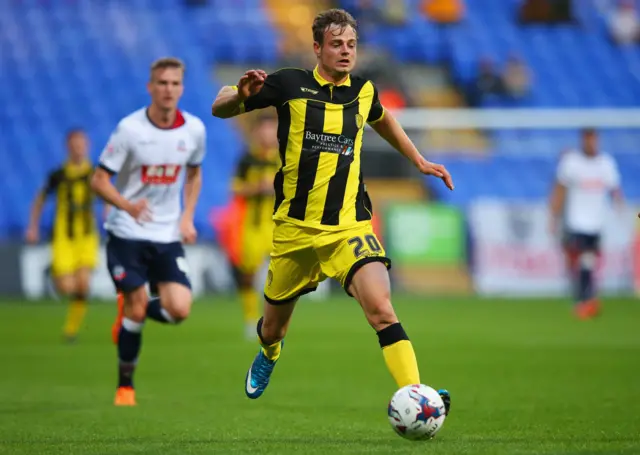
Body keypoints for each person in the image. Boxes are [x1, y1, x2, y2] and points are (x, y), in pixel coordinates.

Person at [211, 8, 453, 414]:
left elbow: (385, 120)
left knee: (381, 309)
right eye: (337, 44)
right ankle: (269, 354)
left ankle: (417, 395)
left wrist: (419, 161)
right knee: (273, 328)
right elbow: (220, 106)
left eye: (352, 45)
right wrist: (240, 96)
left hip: (348, 227)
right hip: (295, 230)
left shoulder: (364, 91)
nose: (345, 52)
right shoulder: (289, 83)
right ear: (317, 48)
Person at [90, 57, 206, 406]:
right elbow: (98, 179)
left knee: (180, 310)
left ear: (181, 88)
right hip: (126, 232)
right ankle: (125, 386)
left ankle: (129, 311)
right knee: (138, 309)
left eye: (174, 83)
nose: (168, 89)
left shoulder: (194, 130)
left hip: (167, 235)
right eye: (162, 83)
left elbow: (195, 174)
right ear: (150, 87)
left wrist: (187, 218)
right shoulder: (130, 130)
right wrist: (128, 207)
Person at [26, 129, 98, 342]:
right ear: (68, 147)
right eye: (75, 144)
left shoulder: (94, 173)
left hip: (86, 237)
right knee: (66, 287)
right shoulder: (58, 175)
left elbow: (108, 194)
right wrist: (33, 227)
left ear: (87, 146)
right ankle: (53, 275)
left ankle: (71, 330)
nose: (78, 148)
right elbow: (39, 201)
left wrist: (110, 212)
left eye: (82, 144)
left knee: (83, 284)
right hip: (63, 239)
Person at [549, 129, 623, 319]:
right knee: (582, 259)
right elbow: (559, 188)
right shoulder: (572, 162)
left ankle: (585, 299)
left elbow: (615, 189)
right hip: (576, 221)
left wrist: (620, 207)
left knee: (588, 261)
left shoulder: (605, 163)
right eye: (588, 140)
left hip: (596, 222)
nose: (591, 143)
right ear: (583, 140)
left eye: (594, 140)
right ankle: (585, 299)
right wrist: (554, 216)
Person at [221, 114, 280, 339]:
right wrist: (256, 187)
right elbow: (235, 188)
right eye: (264, 129)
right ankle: (250, 319)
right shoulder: (247, 159)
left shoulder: (285, 157)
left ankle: (276, 319)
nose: (268, 134)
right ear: (256, 132)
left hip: (278, 225)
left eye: (272, 129)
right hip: (252, 226)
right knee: (248, 274)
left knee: (282, 275)